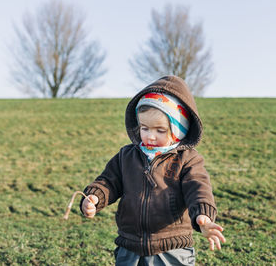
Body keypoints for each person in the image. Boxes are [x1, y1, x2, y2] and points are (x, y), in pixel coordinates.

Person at [80, 76, 225, 265]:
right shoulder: (127, 155)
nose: (151, 136)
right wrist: (95, 197)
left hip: (172, 249)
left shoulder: (187, 159)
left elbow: (198, 189)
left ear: (177, 130)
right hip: (129, 247)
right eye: (145, 128)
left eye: (160, 130)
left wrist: (202, 216)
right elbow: (108, 181)